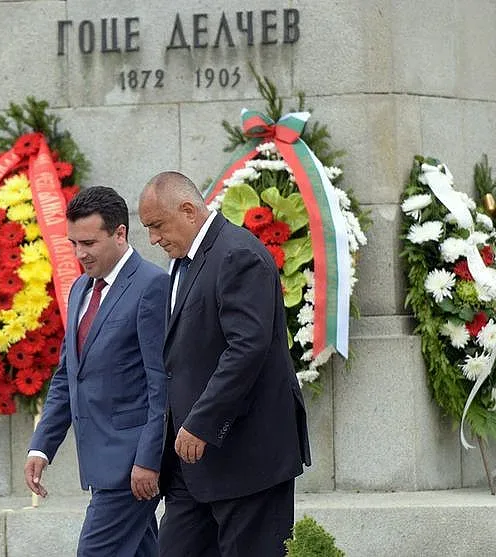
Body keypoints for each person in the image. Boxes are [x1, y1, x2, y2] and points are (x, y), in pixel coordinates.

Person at [138, 172, 311, 557]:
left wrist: (202, 420)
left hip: (246, 456)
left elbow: (246, 348)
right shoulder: (185, 262)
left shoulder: (237, 253)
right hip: (192, 465)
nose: (153, 239)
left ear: (188, 210)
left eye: (157, 226)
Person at [25, 186, 169, 556]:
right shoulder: (79, 290)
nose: (79, 253)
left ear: (120, 234)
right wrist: (41, 447)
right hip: (99, 462)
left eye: (88, 242)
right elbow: (67, 376)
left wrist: (148, 460)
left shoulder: (152, 285)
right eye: (73, 243)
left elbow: (161, 384)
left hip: (131, 467)